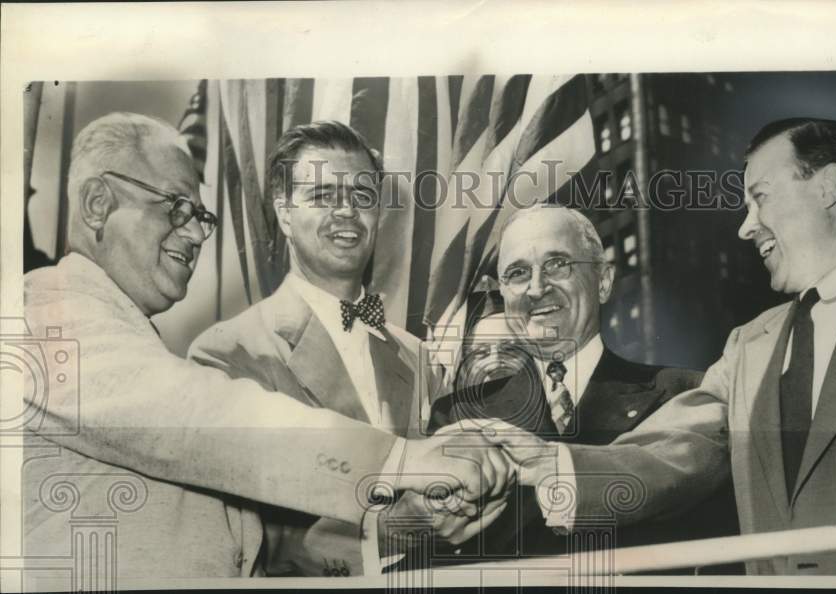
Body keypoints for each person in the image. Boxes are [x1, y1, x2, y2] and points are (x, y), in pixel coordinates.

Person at [21, 112, 507, 585]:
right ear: (97, 204)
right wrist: (402, 462)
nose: (194, 234)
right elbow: (201, 420)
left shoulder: (128, 335)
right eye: (176, 207)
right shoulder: (40, 313)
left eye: (200, 216)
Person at [483, 118, 836, 575]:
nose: (745, 226)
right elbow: (666, 454)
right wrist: (548, 465)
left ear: (827, 186)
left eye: (760, 198)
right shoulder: (747, 346)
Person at [188, 120, 509, 576]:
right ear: (284, 213)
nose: (346, 212)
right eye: (322, 196)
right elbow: (241, 543)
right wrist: (389, 530)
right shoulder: (226, 356)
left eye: (362, 197)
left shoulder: (419, 359)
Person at [429, 204, 740, 571]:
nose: (536, 288)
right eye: (517, 273)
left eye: (558, 264)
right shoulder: (457, 416)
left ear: (604, 281)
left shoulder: (685, 395)